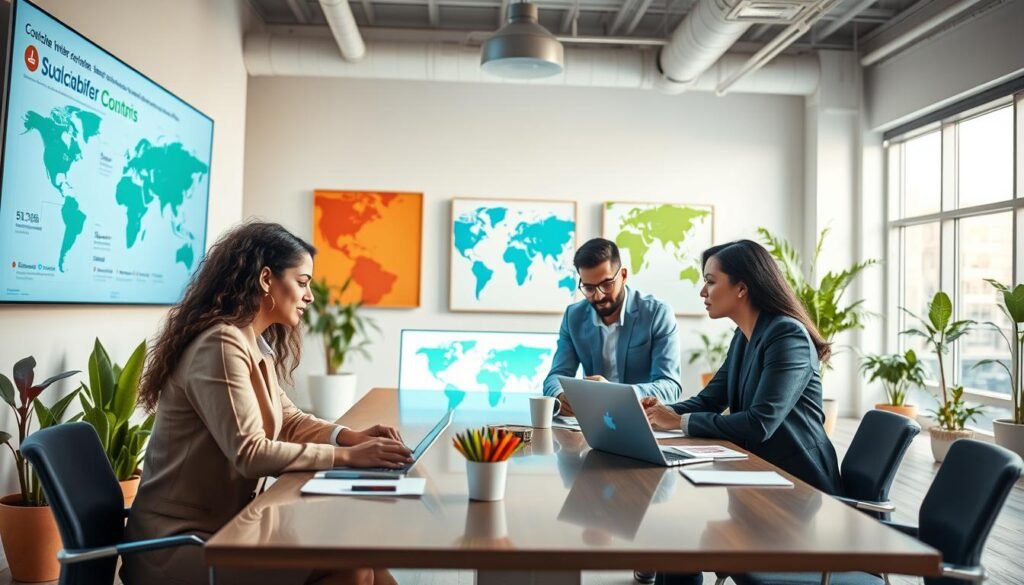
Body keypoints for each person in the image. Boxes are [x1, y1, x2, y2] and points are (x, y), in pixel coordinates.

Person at [121, 222, 413, 585]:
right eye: (303, 282)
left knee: (360, 553)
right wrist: (348, 458)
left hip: (227, 531)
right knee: (352, 567)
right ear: (265, 279)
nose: (309, 296)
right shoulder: (221, 345)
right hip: (178, 547)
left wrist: (348, 437)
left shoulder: (251, 342)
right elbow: (250, 453)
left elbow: (288, 419)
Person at [642, 239, 842, 494]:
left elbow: (759, 424)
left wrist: (678, 421)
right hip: (760, 470)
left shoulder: (787, 336)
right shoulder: (743, 336)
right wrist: (658, 412)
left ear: (742, 288)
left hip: (800, 482)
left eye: (711, 281)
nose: (703, 292)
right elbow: (709, 400)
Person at [542, 238, 682, 418]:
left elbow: (671, 387)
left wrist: (614, 393)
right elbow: (556, 376)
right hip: (594, 421)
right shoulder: (573, 316)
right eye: (589, 287)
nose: (598, 296)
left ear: (623, 275)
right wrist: (560, 394)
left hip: (641, 419)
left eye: (606, 284)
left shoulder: (657, 314)